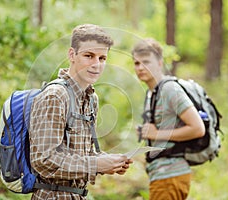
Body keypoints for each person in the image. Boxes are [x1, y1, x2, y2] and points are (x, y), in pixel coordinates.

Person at [29, 24, 133, 199]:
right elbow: (43, 161)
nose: (96, 64)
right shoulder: (55, 96)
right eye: (89, 56)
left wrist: (110, 162)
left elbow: (83, 154)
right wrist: (96, 164)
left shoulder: (91, 98)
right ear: (72, 55)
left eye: (102, 58)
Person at [131, 38, 205, 200]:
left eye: (146, 62)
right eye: (136, 63)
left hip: (170, 176)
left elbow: (198, 128)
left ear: (159, 62)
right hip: (160, 175)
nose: (140, 67)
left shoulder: (169, 89)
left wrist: (157, 133)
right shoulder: (152, 93)